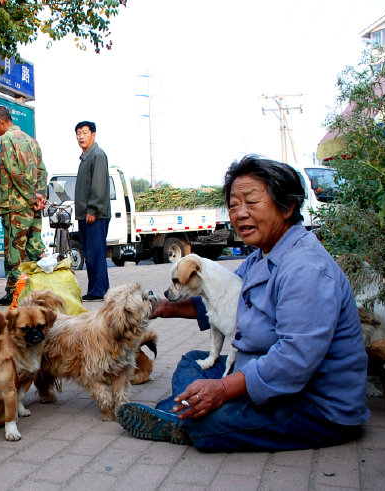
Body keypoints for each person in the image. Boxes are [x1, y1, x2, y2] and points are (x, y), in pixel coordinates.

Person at [117, 155, 369, 452]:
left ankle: (186, 417)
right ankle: (188, 411)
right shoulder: (261, 255)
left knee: (214, 418)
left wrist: (223, 389)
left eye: (251, 202)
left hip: (313, 403)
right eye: (234, 205)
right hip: (259, 372)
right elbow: (225, 302)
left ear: (287, 207)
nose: (240, 214)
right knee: (191, 363)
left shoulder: (306, 269)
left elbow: (293, 360)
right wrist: (165, 307)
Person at [0, 106, 47, 306]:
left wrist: (31, 197)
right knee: (35, 250)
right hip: (34, 207)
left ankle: (13, 294)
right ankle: (39, 292)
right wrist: (40, 197)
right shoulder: (32, 140)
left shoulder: (6, 139)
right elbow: (42, 171)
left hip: (16, 207)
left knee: (14, 253)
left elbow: (12, 171)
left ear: (0, 122)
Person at [74, 121, 110, 302]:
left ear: (93, 135)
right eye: (78, 133)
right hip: (85, 215)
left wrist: (92, 209)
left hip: (95, 215)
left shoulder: (97, 155)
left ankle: (98, 291)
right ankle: (100, 289)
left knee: (96, 254)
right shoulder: (86, 157)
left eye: (85, 133)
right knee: (91, 255)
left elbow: (98, 186)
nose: (81, 136)